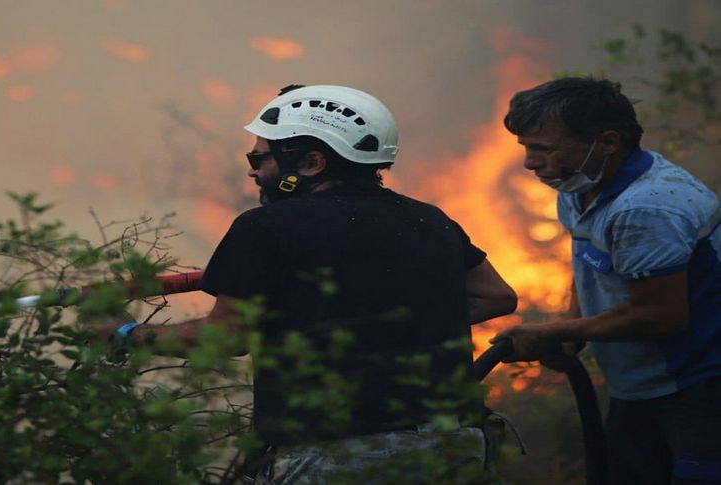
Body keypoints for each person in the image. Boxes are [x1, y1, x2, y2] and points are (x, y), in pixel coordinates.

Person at [104, 84, 518, 483]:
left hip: (338, 456)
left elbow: (226, 338)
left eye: (260, 157)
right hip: (455, 447)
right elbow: (497, 296)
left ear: (311, 163)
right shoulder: (431, 219)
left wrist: (126, 333)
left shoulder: (264, 228)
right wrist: (401, 322)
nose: (252, 168)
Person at [492, 77, 721, 484]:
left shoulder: (647, 208)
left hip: (698, 389)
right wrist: (571, 324)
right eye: (526, 147)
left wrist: (556, 330)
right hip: (639, 389)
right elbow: (591, 264)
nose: (529, 162)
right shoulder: (579, 184)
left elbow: (661, 316)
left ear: (608, 142)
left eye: (543, 149)